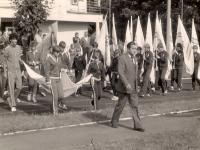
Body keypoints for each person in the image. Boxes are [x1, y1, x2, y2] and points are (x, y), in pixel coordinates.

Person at [111, 42, 145, 132]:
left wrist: (137, 84)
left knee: (135, 106)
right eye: (133, 48)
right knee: (120, 106)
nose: (135, 50)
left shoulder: (135, 58)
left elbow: (135, 73)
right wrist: (126, 84)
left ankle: (137, 125)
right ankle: (114, 121)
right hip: (124, 87)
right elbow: (121, 72)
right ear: (128, 48)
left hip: (133, 87)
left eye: (135, 48)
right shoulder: (122, 58)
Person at [46, 45, 67, 115]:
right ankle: (55, 112)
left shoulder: (59, 58)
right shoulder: (49, 59)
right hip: (52, 79)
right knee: (55, 96)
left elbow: (60, 67)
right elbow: (47, 71)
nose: (58, 53)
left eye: (59, 52)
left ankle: (58, 104)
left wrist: (63, 69)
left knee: (61, 95)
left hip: (59, 78)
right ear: (53, 52)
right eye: (57, 52)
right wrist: (48, 81)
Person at [4, 33, 23, 112]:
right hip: (10, 71)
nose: (15, 42)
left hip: (18, 70)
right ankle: (13, 105)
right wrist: (5, 72)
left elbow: (19, 58)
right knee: (11, 88)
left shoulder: (18, 47)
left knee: (19, 87)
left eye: (16, 40)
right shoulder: (7, 49)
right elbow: (4, 61)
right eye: (14, 40)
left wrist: (21, 62)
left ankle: (10, 99)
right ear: (10, 40)